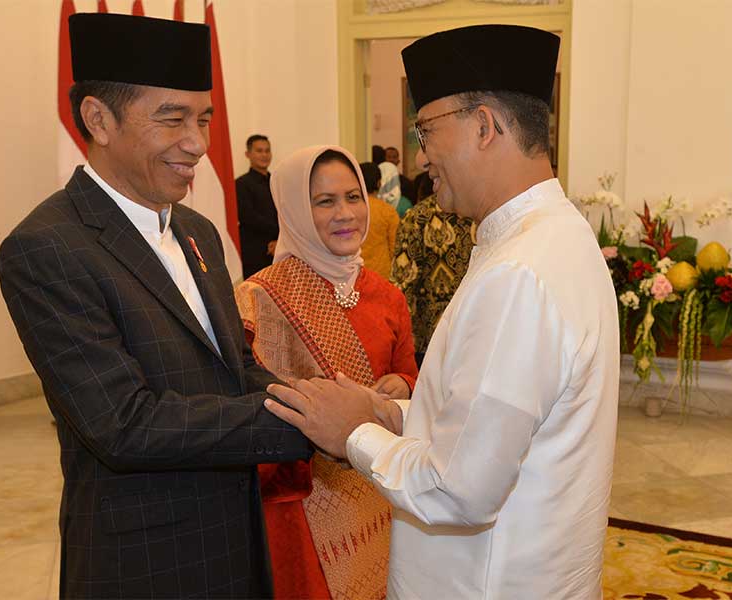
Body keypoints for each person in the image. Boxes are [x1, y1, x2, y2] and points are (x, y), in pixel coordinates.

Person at [264, 24, 620, 599]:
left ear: (484, 126)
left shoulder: (519, 273)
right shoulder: (556, 236)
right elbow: (497, 421)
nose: (422, 154)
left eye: (427, 131)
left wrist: (352, 432)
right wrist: (393, 413)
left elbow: (459, 492)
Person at [0, 14, 309, 599]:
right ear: (97, 119)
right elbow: (125, 424)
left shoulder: (197, 231)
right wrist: (310, 426)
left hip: (235, 544)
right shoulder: (48, 247)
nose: (197, 142)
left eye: (205, 118)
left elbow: (237, 369)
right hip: (142, 564)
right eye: (173, 118)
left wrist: (321, 396)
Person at [235, 145, 418, 600]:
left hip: (381, 486)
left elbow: (412, 379)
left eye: (354, 197)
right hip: (298, 504)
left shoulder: (388, 295)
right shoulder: (258, 300)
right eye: (324, 201)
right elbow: (243, 410)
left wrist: (402, 387)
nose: (346, 214)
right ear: (295, 209)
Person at [391, 189, 476, 364]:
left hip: (430, 341)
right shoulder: (481, 215)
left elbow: (402, 285)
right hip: (473, 334)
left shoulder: (417, 218)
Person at [236, 134, 280, 278]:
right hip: (254, 252)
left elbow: (286, 212)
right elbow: (248, 217)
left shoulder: (278, 182)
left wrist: (280, 239)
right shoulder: (241, 184)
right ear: (248, 154)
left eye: (267, 151)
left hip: (280, 247)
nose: (264, 155)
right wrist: (277, 233)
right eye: (259, 151)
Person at [359, 161, 400, 279]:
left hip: (354, 276)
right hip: (381, 276)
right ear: (379, 183)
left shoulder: (350, 211)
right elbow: (395, 249)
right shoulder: (387, 211)